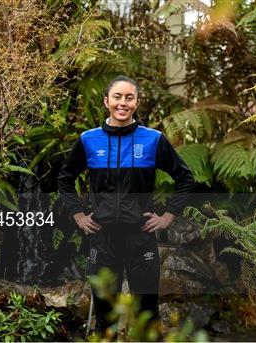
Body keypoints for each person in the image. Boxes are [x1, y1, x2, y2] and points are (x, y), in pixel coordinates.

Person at [57, 75, 195, 337]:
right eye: (117, 97)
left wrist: (167, 217)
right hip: (103, 240)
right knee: (105, 320)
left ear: (137, 103)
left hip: (140, 240)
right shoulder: (89, 140)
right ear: (106, 101)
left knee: (147, 317)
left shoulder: (153, 139)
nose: (123, 103)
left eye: (129, 98)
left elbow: (185, 178)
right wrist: (78, 215)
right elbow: (65, 178)